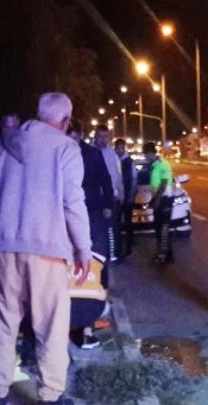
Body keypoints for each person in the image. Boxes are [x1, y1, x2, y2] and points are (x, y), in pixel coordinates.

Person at [0, 93, 92, 405]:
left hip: (3, 248)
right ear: (65, 122)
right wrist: (83, 248)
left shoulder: (4, 143)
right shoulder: (66, 149)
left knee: (3, 321)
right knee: (51, 325)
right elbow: (72, 202)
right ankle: (50, 399)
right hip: (48, 251)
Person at [67, 119, 114, 349]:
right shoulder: (59, 153)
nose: (70, 141)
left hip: (92, 211)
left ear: (80, 135)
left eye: (74, 137)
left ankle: (98, 300)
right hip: (68, 214)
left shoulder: (92, 154)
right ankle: (77, 313)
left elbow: (105, 179)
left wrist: (108, 205)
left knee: (98, 258)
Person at [93, 125, 123, 261]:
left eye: (105, 136)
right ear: (95, 137)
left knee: (111, 228)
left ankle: (112, 255)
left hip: (110, 198)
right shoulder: (90, 153)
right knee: (96, 229)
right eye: (100, 136)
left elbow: (118, 175)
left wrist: (120, 193)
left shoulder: (113, 155)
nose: (103, 139)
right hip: (94, 198)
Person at [142, 142, 174, 264]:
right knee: (159, 227)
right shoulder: (154, 166)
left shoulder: (162, 164)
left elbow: (164, 183)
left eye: (146, 154)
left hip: (164, 200)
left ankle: (162, 256)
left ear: (150, 153)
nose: (145, 157)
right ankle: (168, 255)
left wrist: (157, 199)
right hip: (159, 199)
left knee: (163, 229)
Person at [114, 138, 137, 258]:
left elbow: (134, 180)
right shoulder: (114, 160)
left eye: (122, 148)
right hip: (116, 198)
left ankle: (128, 247)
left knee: (128, 224)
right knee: (116, 224)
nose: (120, 150)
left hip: (127, 198)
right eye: (118, 148)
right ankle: (117, 248)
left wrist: (130, 197)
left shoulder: (129, 162)